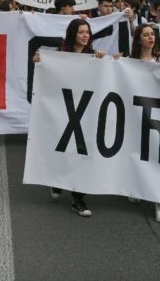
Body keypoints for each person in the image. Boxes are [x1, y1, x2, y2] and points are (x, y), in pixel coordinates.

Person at [33, 18, 113, 217]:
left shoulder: (93, 55)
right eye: (81, 32)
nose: (85, 36)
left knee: (82, 152)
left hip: (85, 112)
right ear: (72, 35)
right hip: (63, 109)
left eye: (87, 32)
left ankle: (78, 198)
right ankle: (58, 179)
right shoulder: (61, 56)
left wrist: (105, 60)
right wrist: (41, 61)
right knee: (63, 148)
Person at [128, 24, 160, 223]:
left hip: (158, 115)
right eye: (146, 35)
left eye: (152, 35)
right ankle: (137, 186)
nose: (150, 38)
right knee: (137, 151)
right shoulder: (129, 63)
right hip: (137, 114)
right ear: (138, 40)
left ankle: (159, 201)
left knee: (157, 155)